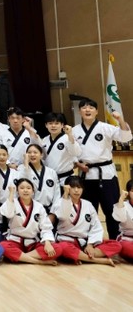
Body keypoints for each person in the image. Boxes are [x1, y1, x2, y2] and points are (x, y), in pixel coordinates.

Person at [72, 99, 131, 239]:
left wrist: (120, 120)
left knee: (111, 211)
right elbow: (70, 152)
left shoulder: (105, 127)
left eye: (91, 107)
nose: (87, 110)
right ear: (79, 111)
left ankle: (115, 240)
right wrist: (78, 164)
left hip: (106, 175)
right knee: (87, 211)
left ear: (97, 111)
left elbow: (125, 137)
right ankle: (89, 241)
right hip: (85, 176)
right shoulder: (74, 131)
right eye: (84, 107)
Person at [54, 176, 121, 266]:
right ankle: (98, 260)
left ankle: (82, 256)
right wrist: (65, 195)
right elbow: (63, 216)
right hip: (67, 241)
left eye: (79, 187)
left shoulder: (88, 204)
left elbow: (96, 226)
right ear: (67, 188)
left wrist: (90, 244)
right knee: (63, 247)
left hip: (84, 243)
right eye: (73, 187)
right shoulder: (60, 202)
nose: (76, 190)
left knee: (116, 245)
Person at [0, 179, 62, 265]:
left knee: (57, 248)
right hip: (15, 241)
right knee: (3, 246)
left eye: (28, 188)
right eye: (22, 188)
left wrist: (47, 242)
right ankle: (38, 261)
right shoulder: (12, 202)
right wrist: (11, 194)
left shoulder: (39, 206)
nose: (25, 190)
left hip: (32, 244)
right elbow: (7, 213)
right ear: (17, 191)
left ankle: (21, 257)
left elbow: (46, 227)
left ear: (33, 191)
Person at [19, 144, 60, 222]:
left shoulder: (51, 172)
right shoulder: (21, 169)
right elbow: (22, 185)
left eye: (35, 152)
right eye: (29, 152)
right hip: (28, 210)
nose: (32, 155)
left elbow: (57, 195)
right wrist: (26, 165)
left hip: (48, 211)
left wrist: (53, 213)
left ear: (41, 155)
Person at [41, 112, 81, 186]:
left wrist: (70, 135)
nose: (53, 126)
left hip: (66, 178)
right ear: (46, 125)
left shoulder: (68, 138)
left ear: (62, 125)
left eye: (56, 123)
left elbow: (76, 153)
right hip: (50, 178)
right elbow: (42, 158)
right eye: (50, 123)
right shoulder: (44, 140)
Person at [113, 179, 133, 261]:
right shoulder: (123, 205)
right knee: (126, 248)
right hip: (127, 239)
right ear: (128, 192)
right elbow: (119, 218)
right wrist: (121, 199)